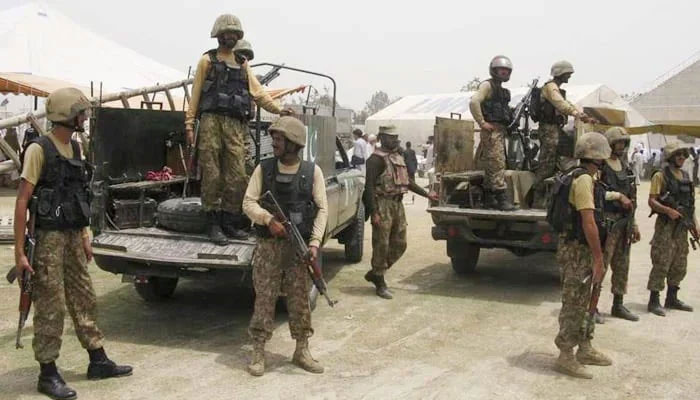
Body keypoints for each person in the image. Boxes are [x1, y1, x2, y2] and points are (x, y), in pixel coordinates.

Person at [14, 88, 132, 400]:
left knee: (84, 297)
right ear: (67, 114)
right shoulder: (39, 150)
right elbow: (22, 202)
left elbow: (78, 197)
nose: (85, 117)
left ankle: (97, 358)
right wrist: (19, 252)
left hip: (72, 236)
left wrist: (84, 236)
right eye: (81, 112)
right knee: (51, 305)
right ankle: (48, 371)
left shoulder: (76, 148)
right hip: (48, 239)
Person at [185, 14, 291, 244]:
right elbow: (195, 97)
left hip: (235, 125)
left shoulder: (243, 64)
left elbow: (259, 93)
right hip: (211, 122)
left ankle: (229, 221)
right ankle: (213, 224)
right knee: (212, 175)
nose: (231, 37)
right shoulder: (207, 61)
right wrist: (190, 125)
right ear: (219, 35)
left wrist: (279, 109)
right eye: (227, 33)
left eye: (235, 34)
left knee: (237, 176)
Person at [242, 116, 328, 376]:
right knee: (264, 299)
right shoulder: (264, 169)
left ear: (293, 143)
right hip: (269, 247)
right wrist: (268, 220)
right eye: (274, 138)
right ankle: (258, 351)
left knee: (300, 299)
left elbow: (323, 209)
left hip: (297, 250)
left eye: (279, 139)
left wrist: (314, 244)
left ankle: (302, 349)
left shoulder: (312, 172)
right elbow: (248, 202)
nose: (274, 143)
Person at [553, 131, 614, 379]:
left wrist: (618, 196)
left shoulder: (583, 177)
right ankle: (566, 354)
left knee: (589, 298)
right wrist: (598, 259)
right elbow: (588, 222)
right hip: (578, 250)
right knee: (574, 302)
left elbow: (596, 201)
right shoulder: (583, 181)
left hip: (580, 248)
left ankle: (585, 347)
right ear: (598, 157)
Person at [363, 126, 438, 299]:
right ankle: (380, 281)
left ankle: (376, 272)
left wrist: (427, 194)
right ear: (382, 137)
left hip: (397, 205)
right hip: (382, 204)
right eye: (391, 137)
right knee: (381, 244)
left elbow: (408, 182)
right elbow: (368, 187)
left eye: (396, 137)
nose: (395, 140)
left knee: (400, 243)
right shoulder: (375, 160)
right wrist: (373, 212)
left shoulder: (398, 156)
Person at [532, 60, 595, 208]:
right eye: (568, 74)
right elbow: (560, 103)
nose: (569, 77)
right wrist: (576, 113)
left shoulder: (555, 88)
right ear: (561, 73)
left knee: (560, 160)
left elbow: (568, 104)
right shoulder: (551, 88)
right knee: (546, 162)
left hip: (555, 128)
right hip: (549, 129)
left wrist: (581, 114)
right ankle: (538, 197)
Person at [646, 142, 698, 316]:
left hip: (682, 227)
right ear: (670, 157)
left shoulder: (685, 175)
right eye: (678, 155)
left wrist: (695, 226)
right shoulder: (660, 176)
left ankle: (672, 297)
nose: (682, 158)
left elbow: (690, 205)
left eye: (684, 155)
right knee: (661, 261)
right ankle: (654, 300)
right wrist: (668, 210)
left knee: (679, 262)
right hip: (666, 226)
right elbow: (652, 200)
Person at [600, 127, 639, 322]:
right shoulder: (601, 166)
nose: (621, 147)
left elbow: (632, 198)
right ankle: (593, 306)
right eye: (618, 143)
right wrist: (617, 196)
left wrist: (635, 224)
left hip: (624, 224)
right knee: (600, 265)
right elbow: (596, 193)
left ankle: (618, 304)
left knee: (622, 265)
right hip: (607, 222)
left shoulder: (626, 167)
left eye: (624, 143)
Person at [469, 55, 516, 210]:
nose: (504, 73)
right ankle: (502, 199)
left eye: (506, 71)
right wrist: (482, 123)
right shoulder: (487, 86)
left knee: (491, 166)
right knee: (497, 164)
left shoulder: (501, 90)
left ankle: (489, 198)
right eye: (501, 70)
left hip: (499, 130)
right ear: (494, 70)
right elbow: (474, 101)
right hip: (492, 130)